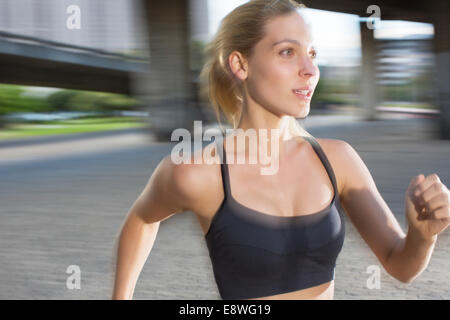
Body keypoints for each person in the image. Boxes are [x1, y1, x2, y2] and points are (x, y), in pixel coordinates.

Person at [112, 0, 450, 300]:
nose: (311, 70)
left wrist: (422, 237)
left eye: (312, 53)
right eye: (287, 52)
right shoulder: (197, 172)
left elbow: (400, 265)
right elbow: (142, 218)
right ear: (240, 65)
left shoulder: (338, 160)